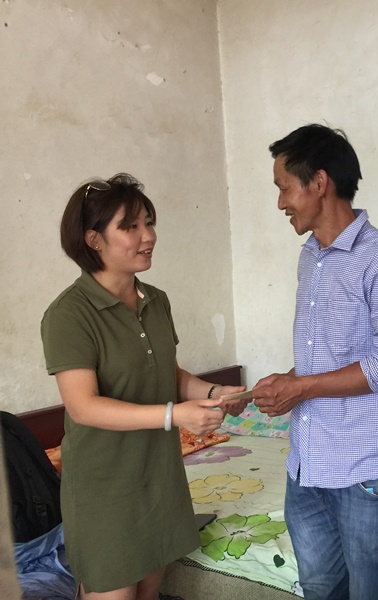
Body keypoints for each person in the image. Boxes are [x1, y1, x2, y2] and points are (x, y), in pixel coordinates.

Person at [40, 173, 249, 600]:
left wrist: (215, 394)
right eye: (130, 226)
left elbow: (168, 375)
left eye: (149, 223)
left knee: (150, 591)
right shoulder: (69, 314)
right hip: (105, 487)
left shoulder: (156, 300)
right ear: (93, 240)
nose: (148, 236)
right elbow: (83, 406)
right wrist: (175, 415)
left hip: (159, 475)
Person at [252, 124, 378, 600]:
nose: (281, 203)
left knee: (370, 593)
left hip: (366, 466)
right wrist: (287, 381)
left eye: (285, 188)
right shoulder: (311, 258)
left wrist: (301, 387)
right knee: (321, 589)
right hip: (307, 466)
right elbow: (326, 357)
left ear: (319, 182)